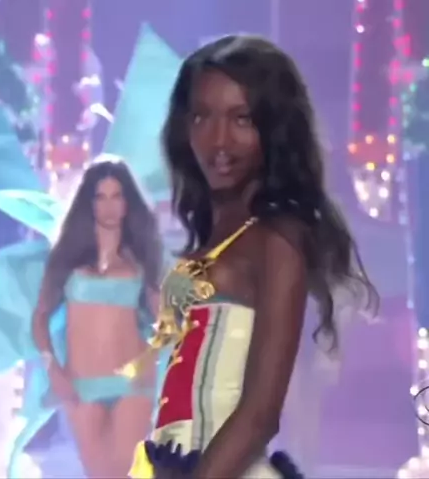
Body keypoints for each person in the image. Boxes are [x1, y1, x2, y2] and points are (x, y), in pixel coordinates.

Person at [127, 34, 378, 478]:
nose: (218, 140)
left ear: (273, 129)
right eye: (201, 117)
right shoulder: (216, 232)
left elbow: (261, 413)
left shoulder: (276, 240)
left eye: (241, 119)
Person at [32, 156, 162, 477]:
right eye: (101, 197)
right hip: (80, 385)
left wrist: (154, 357)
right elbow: (40, 318)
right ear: (89, 203)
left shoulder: (140, 258)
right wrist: (53, 369)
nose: (109, 207)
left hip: (132, 384)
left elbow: (164, 319)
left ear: (127, 203)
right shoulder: (66, 257)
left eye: (116, 196)